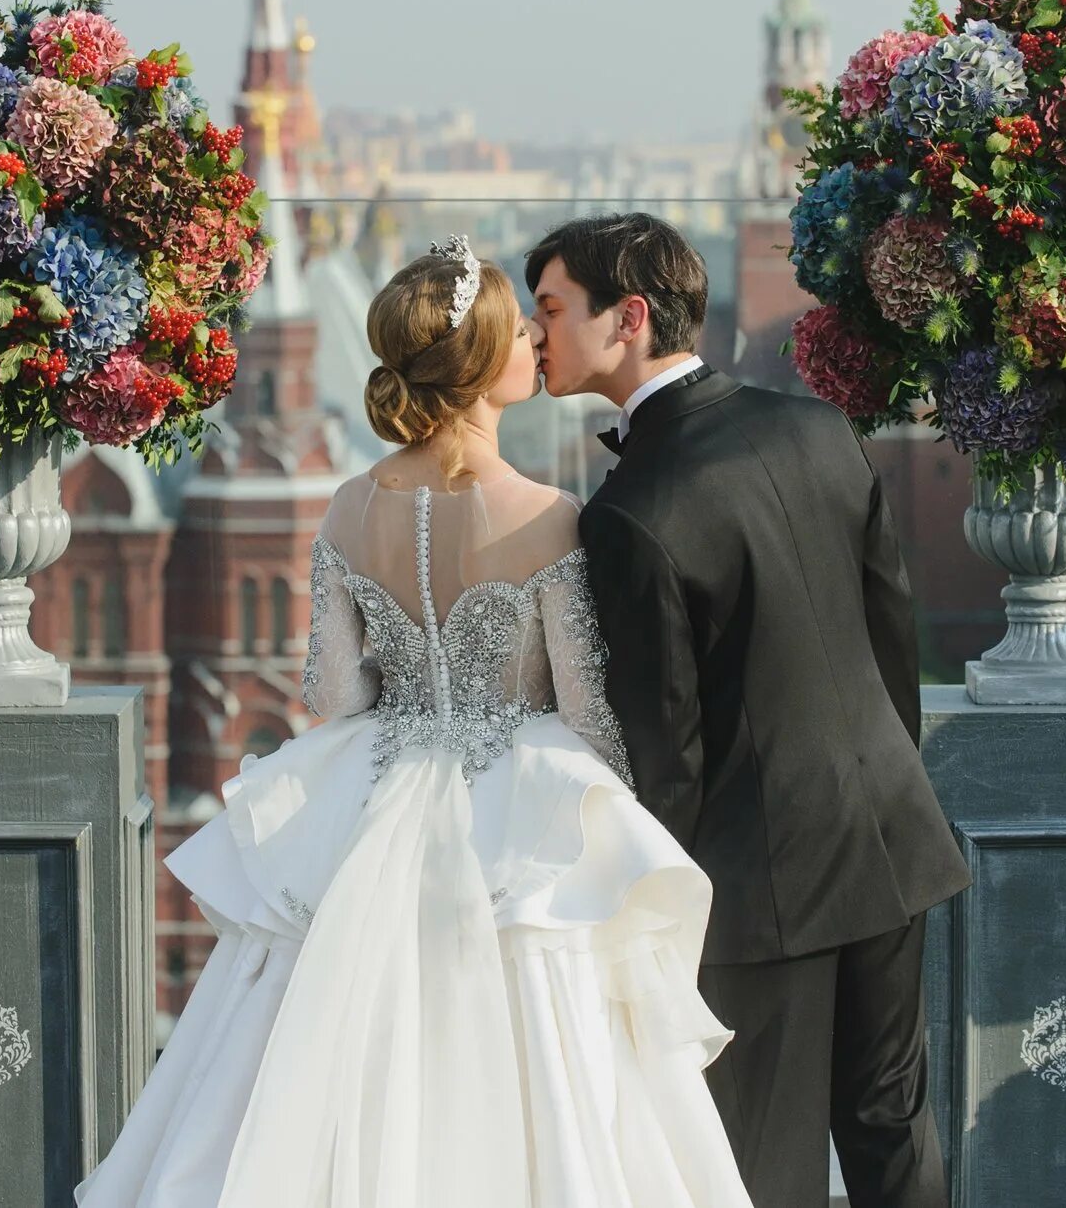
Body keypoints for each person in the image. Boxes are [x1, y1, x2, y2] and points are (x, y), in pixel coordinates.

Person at [76, 237, 754, 1208]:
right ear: (480, 363)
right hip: (513, 801)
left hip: (373, 791)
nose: (533, 338)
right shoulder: (547, 513)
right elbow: (584, 703)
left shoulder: (349, 505)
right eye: (517, 329)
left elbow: (335, 695)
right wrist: (611, 817)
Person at [529, 212, 971, 1208]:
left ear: (628, 317)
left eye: (551, 309)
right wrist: (885, 785)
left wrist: (651, 912)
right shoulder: (818, 427)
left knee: (753, 1164)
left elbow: (666, 753)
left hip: (751, 886)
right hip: (889, 833)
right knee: (893, 1129)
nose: (533, 335)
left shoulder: (630, 513)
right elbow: (889, 639)